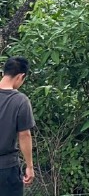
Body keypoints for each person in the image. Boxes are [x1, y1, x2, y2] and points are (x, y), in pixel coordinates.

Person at [0, 56, 36, 196]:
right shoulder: (20, 101)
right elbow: (24, 135)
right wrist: (30, 166)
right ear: (21, 76)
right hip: (6, 169)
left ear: (4, 72)